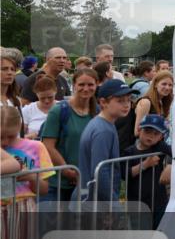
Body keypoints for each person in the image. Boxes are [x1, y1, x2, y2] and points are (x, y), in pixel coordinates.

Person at [39, 69, 98, 201]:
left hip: (84, 182)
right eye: (81, 84)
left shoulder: (97, 112)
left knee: (76, 222)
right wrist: (66, 171)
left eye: (90, 84)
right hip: (56, 183)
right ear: (74, 85)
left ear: (97, 85)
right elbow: (48, 145)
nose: (86, 88)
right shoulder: (59, 111)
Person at [77, 79, 135, 201]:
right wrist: (113, 203)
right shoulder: (103, 130)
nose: (126, 105)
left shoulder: (104, 124)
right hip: (93, 201)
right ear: (103, 102)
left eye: (128, 100)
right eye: (120, 101)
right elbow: (100, 171)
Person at [119, 114, 171, 227]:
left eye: (156, 134)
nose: (151, 136)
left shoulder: (160, 147)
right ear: (139, 130)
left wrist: (170, 166)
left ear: (161, 136)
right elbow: (124, 174)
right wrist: (145, 164)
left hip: (159, 203)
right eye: (147, 131)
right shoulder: (129, 152)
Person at [1, 107, 53, 201]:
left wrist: (32, 178)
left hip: (24, 206)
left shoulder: (36, 147)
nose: (5, 142)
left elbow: (44, 189)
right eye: (0, 137)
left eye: (11, 136)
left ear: (19, 127)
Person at [133, 70, 173, 144]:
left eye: (170, 85)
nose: (167, 87)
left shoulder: (163, 102)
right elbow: (137, 132)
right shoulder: (146, 102)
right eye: (164, 84)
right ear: (155, 84)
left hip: (156, 144)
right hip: (144, 148)